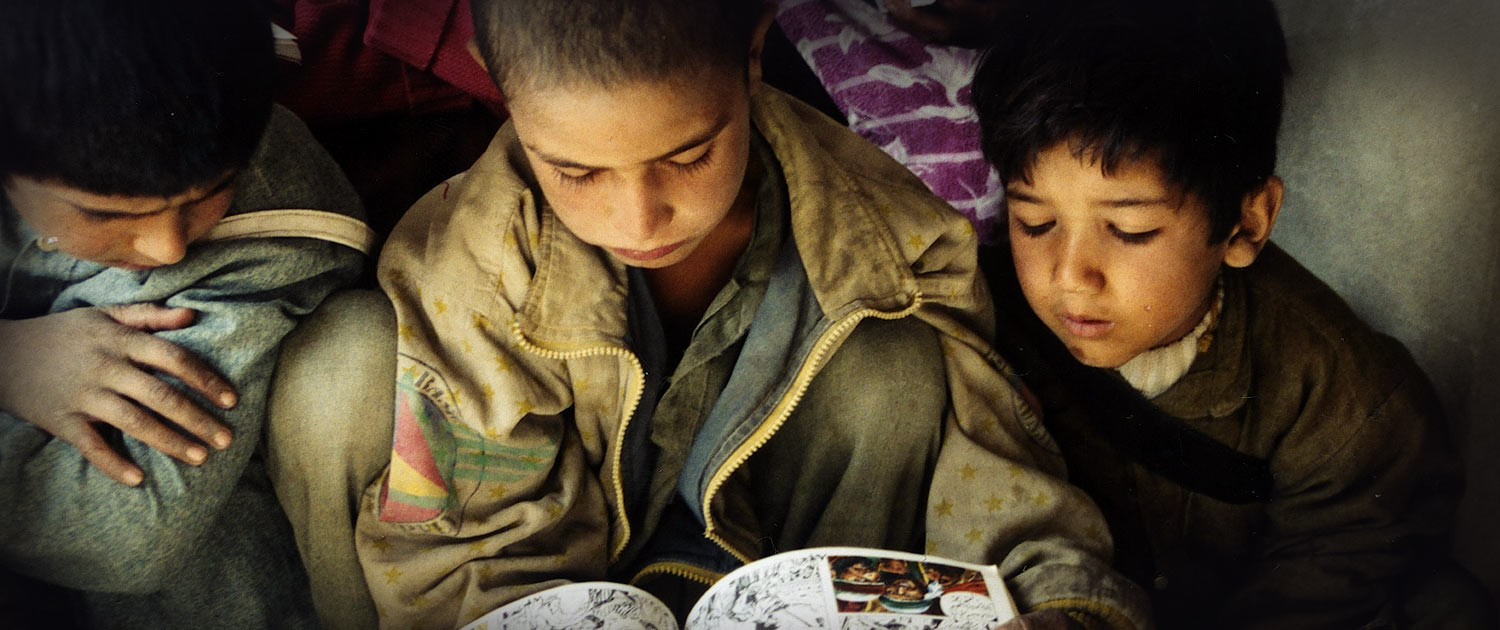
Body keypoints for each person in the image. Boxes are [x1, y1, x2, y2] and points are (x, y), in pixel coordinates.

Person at [352, 0, 1148, 628]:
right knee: (341, 370)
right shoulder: (466, 268)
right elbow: (463, 557)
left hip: (792, 567)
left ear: (754, 53)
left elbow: (990, 469)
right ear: (496, 79)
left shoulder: (891, 237)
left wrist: (1064, 611)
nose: (641, 220)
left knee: (896, 364)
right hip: (573, 595)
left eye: (690, 155)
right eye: (577, 171)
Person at [972, 0, 1493, 627]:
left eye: (1130, 229)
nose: (1068, 275)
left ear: (1246, 224)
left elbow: (1328, 586)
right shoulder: (985, 318)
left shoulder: (1347, 404)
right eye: (1036, 221)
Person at [0, 0, 370, 627]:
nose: (167, 248)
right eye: (106, 215)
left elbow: (122, 536)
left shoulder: (280, 219)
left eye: (208, 193)